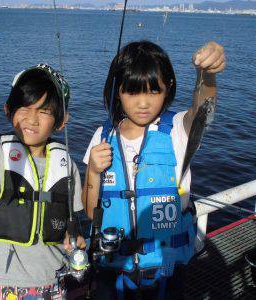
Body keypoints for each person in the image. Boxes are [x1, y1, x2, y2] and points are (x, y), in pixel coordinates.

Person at [82, 40, 226, 299]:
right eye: (133, 92)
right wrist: (93, 172)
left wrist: (207, 75)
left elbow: (203, 110)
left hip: (166, 273)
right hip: (113, 270)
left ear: (168, 88)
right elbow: (92, 212)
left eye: (154, 91)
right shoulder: (102, 137)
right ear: (118, 91)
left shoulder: (178, 131)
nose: (144, 103)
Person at [0, 45, 86, 300]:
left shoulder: (66, 165)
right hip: (5, 286)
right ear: (8, 110)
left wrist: (75, 236)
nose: (32, 118)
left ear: (61, 122)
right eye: (24, 107)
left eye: (44, 111)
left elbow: (70, 218)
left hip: (54, 282)